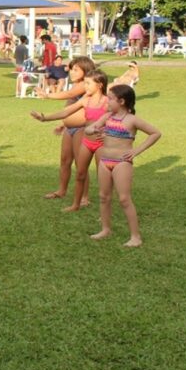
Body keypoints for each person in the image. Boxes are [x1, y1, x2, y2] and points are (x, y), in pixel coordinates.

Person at [83, 84, 160, 247]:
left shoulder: (132, 120)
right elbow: (89, 129)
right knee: (104, 197)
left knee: (124, 199)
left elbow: (155, 133)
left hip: (121, 164)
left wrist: (136, 151)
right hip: (105, 162)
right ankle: (105, 229)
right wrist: (94, 129)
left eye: (110, 99)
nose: (107, 102)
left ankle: (135, 237)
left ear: (122, 101)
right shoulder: (107, 117)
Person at [31, 69, 108, 213]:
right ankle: (75, 205)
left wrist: (109, 134)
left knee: (103, 177)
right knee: (80, 173)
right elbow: (66, 112)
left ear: (100, 85)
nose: (85, 87)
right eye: (85, 83)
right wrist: (44, 118)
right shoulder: (86, 100)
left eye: (88, 83)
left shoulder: (107, 102)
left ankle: (105, 211)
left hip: (101, 144)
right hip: (87, 142)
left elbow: (122, 118)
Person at [36, 56, 95, 207]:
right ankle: (62, 190)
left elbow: (68, 95)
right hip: (70, 129)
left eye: (76, 70)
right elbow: (69, 107)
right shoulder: (75, 85)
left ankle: (84, 197)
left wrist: (47, 95)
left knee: (80, 164)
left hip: (81, 128)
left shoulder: (85, 85)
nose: (72, 72)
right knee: (65, 160)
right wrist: (63, 124)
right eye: (71, 69)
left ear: (85, 71)